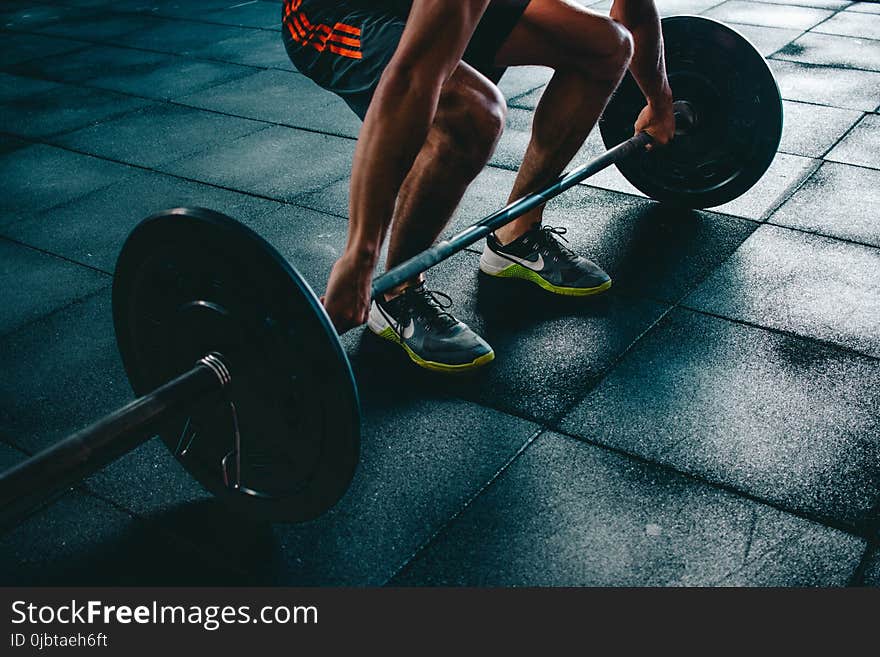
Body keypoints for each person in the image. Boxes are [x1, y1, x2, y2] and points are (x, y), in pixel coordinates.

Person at [282, 0, 674, 372]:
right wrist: (359, 255)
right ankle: (397, 293)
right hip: (332, 13)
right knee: (474, 113)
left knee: (606, 46)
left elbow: (634, 14)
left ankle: (515, 234)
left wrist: (659, 101)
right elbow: (413, 78)